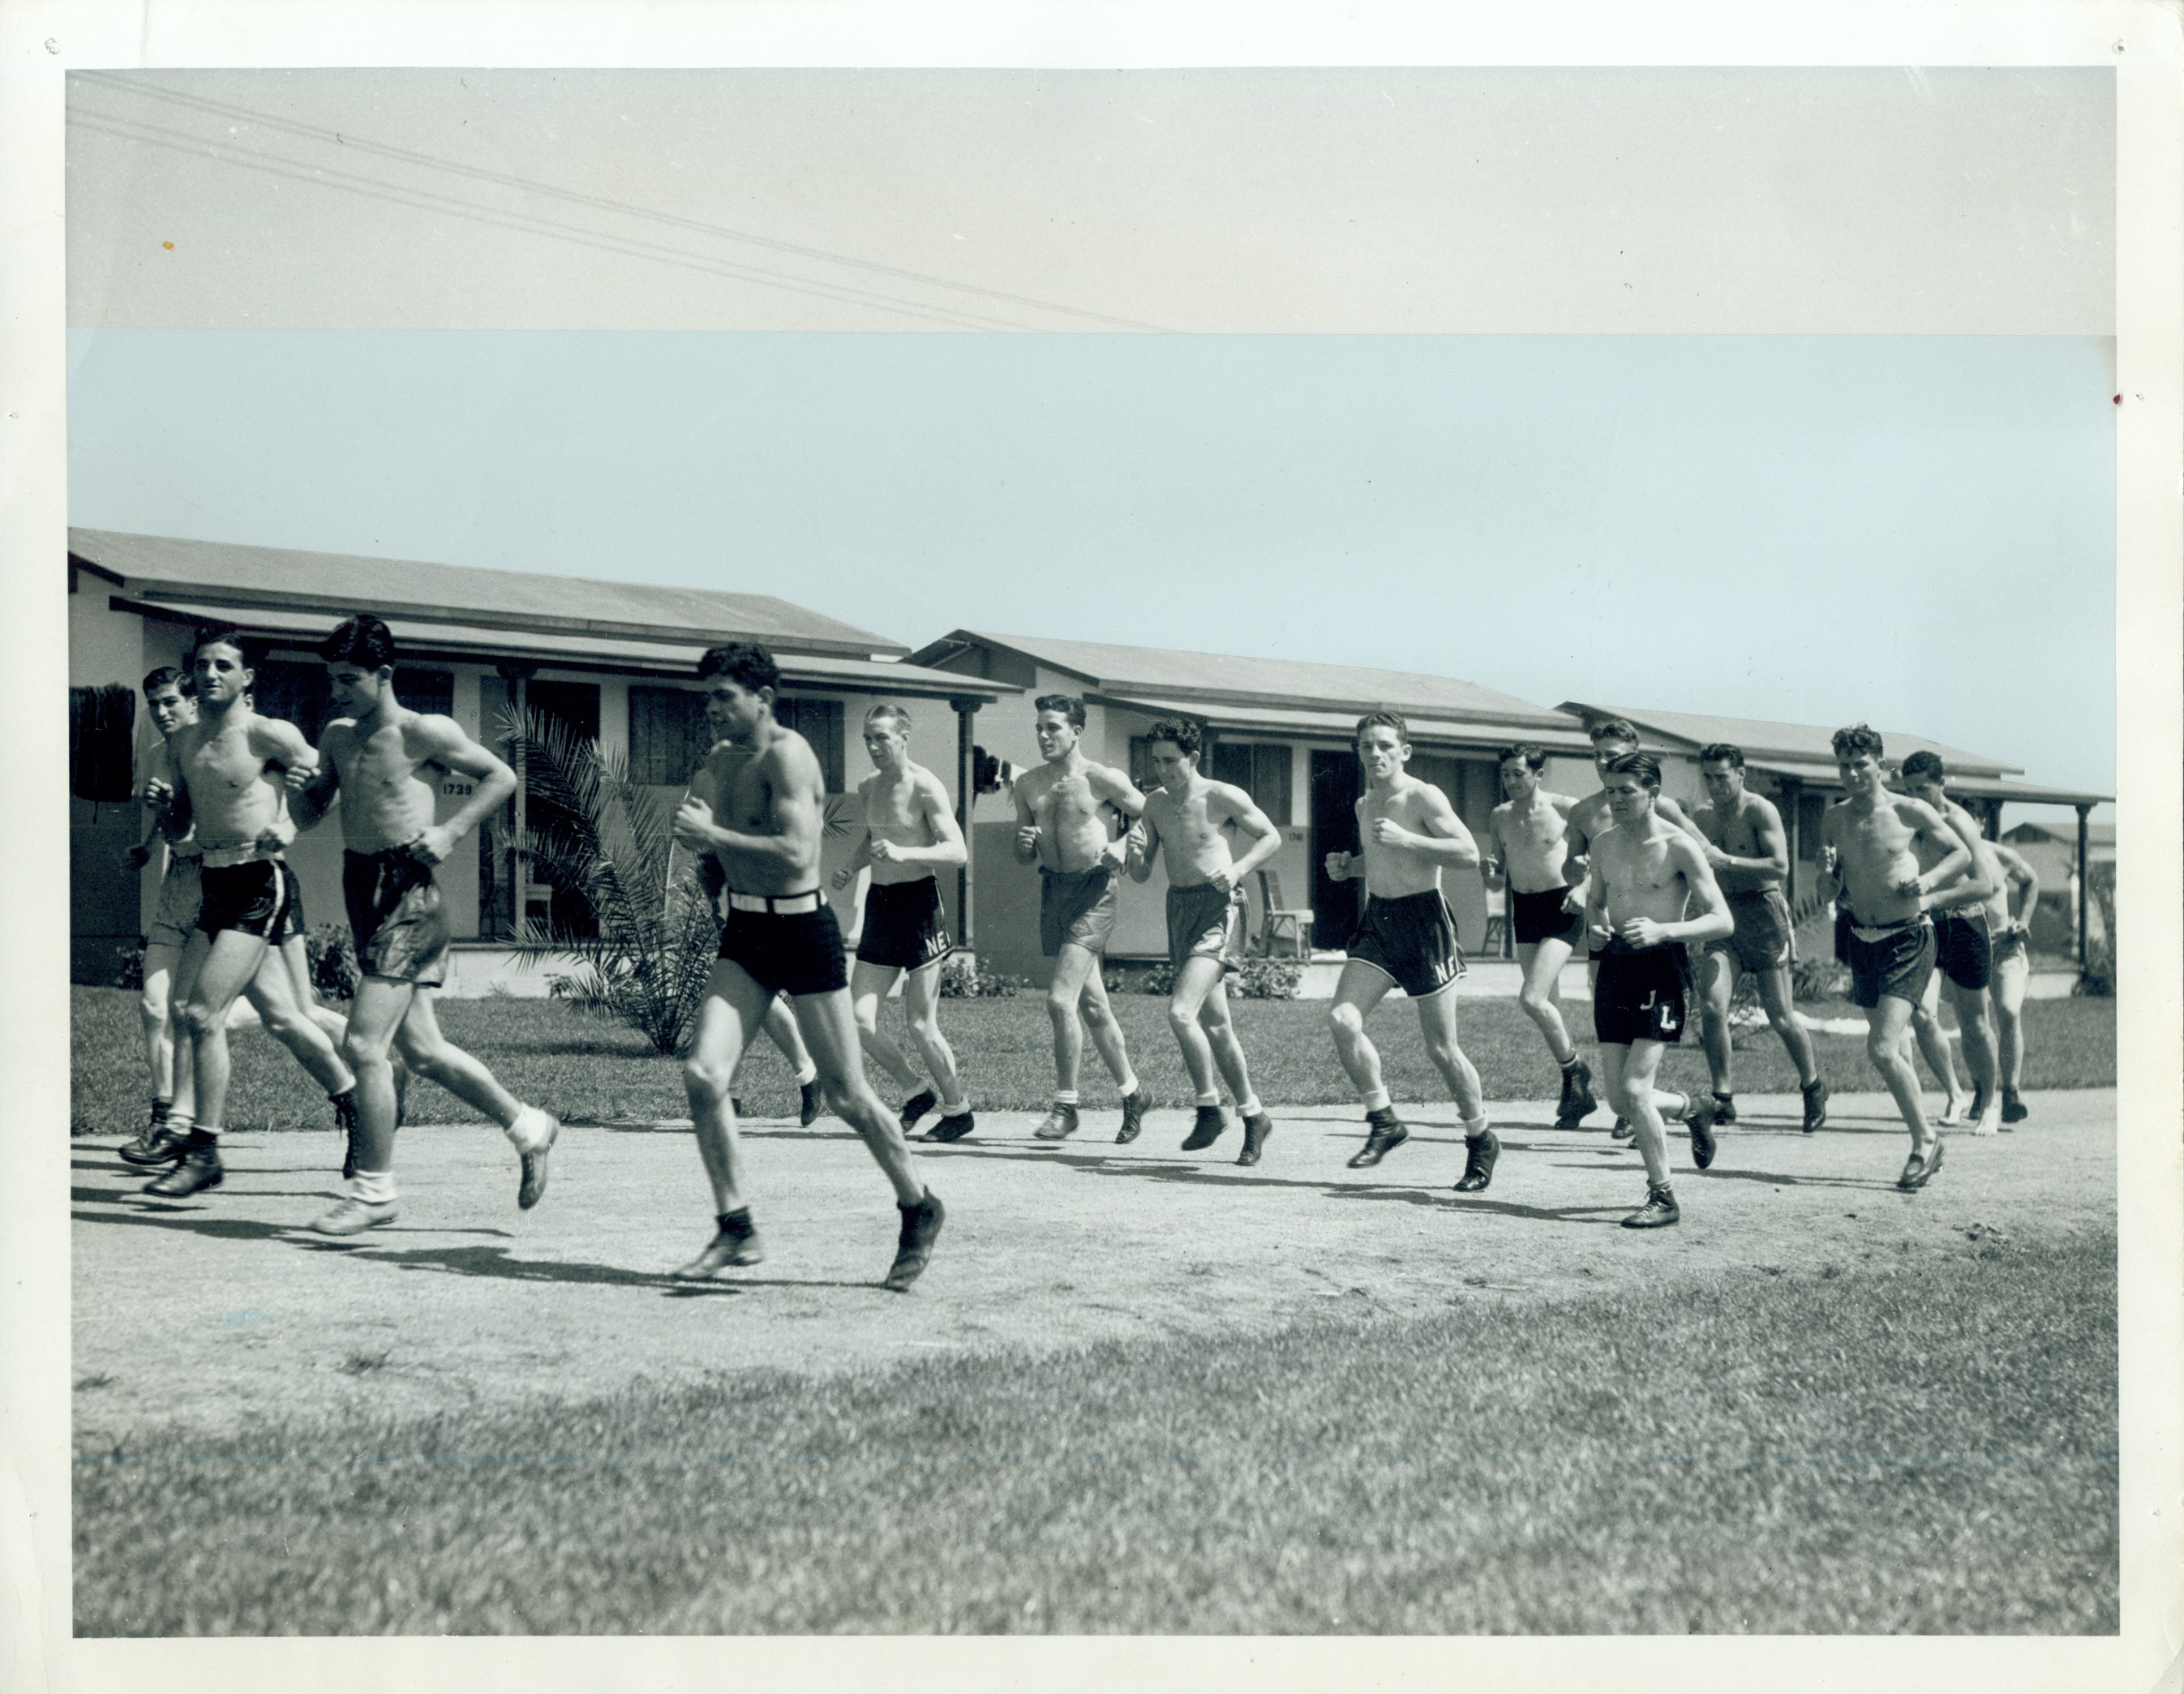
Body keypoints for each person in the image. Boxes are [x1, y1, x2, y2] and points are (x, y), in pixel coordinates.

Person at [669, 642, 944, 1290]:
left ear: (762, 699)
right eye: (707, 695)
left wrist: (714, 836)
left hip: (802, 929)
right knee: (704, 1074)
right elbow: (716, 841)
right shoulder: (719, 759)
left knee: (849, 1095)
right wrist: (706, 859)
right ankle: (736, 1226)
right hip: (746, 931)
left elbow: (796, 851)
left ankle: (918, 1205)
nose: (711, 708)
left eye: (723, 696)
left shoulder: (789, 755)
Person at [286, 616, 561, 1234]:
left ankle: (374, 1189)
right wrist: (300, 792)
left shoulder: (422, 731)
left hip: (410, 894)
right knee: (424, 1051)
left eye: (349, 679)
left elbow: (502, 776)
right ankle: (529, 1127)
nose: (339, 690)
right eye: (333, 679)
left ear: (384, 674)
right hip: (363, 889)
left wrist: (451, 830)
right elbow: (309, 817)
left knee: (363, 1045)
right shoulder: (335, 735)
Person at [135, 628, 363, 1199]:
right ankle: (356, 1100)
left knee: (200, 1012)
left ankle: (203, 1151)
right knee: (285, 1017)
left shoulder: (269, 733)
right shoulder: (185, 743)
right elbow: (181, 828)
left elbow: (325, 791)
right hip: (214, 882)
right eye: (203, 665)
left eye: (224, 666)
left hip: (260, 883)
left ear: (247, 677)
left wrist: (290, 819)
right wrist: (165, 812)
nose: (211, 674)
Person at [1324, 711, 1498, 1194]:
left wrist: (1409, 838)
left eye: (1384, 745)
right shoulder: (1363, 805)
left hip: (1425, 921)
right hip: (1379, 920)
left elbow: (1466, 854)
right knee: (1342, 1019)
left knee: (1441, 1048)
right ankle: (1384, 1120)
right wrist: (1348, 868)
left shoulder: (1423, 796)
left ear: (1404, 751)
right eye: (1365, 746)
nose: (1374, 754)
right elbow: (1379, 859)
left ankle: (1481, 1137)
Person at [1813, 725, 1977, 1191]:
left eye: (1859, 764)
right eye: (1843, 765)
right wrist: (1826, 877)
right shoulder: (1834, 818)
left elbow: (1961, 854)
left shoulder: (1909, 810)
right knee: (1890, 1048)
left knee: (1882, 1048)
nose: (1850, 773)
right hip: (1861, 938)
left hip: (1908, 936)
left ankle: (1925, 1143)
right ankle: (1927, 1131)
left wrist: (1929, 883)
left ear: (1879, 765)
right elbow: (1828, 890)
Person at [1582, 752, 1736, 1228]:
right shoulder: (1604, 844)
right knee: (1618, 1099)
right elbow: (1595, 905)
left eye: (1627, 791)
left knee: (1634, 1088)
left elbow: (1722, 919)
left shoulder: (1679, 846)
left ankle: (1663, 1195)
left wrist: (1666, 930)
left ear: (1653, 793)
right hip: (1615, 967)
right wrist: (1597, 928)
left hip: (1662, 969)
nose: (1618, 799)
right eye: (1611, 791)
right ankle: (1694, 1109)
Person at [1124, 720, 1281, 1164]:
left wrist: (1237, 869)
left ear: (1192, 758)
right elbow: (1141, 874)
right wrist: (1135, 855)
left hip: (1221, 907)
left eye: (1170, 761)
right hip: (1180, 909)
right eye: (1155, 762)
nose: (1162, 770)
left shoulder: (1221, 796)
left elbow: (1271, 837)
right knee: (1216, 1026)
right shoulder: (1154, 804)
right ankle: (1254, 1117)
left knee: (1180, 1011)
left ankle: (1209, 1106)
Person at [830, 703, 975, 1143]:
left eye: (882, 738)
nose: (874, 747)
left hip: (919, 907)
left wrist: (905, 853)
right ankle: (916, 1092)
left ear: (904, 737)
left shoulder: (926, 786)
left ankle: (958, 1110)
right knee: (858, 1021)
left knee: (919, 1023)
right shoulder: (868, 785)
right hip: (881, 905)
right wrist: (852, 868)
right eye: (868, 739)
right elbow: (875, 839)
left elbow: (957, 852)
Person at [1012, 694, 1151, 1143]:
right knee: (1093, 1006)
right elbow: (1020, 855)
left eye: (1053, 727)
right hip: (1054, 891)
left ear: (1076, 731)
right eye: (1039, 728)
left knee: (1059, 1000)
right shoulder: (1028, 784)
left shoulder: (1101, 778)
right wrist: (1025, 843)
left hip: (1095, 893)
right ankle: (1134, 1093)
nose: (1044, 735)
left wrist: (1121, 844)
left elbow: (1153, 816)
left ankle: (1065, 1106)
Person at [1561, 717, 1701, 1139]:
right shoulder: (1586, 812)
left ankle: (1638, 1110)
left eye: (1614, 753)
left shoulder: (1667, 810)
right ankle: (1651, 1106)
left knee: (1634, 1084)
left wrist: (1674, 908)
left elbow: (1701, 852)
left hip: (1660, 948)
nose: (1605, 761)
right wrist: (1581, 874)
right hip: (1613, 947)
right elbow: (1573, 871)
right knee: (1620, 1073)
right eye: (1598, 755)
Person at [1688, 744, 1829, 1132]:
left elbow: (1780, 867)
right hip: (1724, 916)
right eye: (1709, 778)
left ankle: (1813, 1086)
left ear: (1741, 774)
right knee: (1713, 1007)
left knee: (1780, 1016)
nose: (1715, 785)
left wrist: (1726, 860)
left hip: (1764, 913)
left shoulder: (1759, 810)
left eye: (1722, 777)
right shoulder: (1702, 816)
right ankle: (1724, 1097)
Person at [1483, 744, 1598, 1129]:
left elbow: (1605, 855)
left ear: (1539, 774)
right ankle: (1576, 1095)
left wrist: (1584, 889)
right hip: (1525, 908)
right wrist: (1489, 874)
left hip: (1562, 906)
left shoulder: (1568, 809)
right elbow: (1496, 880)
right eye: (1505, 775)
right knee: (1550, 1006)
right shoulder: (1499, 817)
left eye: (1519, 773)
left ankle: (1576, 1070)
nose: (1511, 782)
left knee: (1531, 999)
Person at [1894, 752, 2006, 1135]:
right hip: (1924, 927)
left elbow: (1984, 885)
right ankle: (1954, 1092)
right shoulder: (1905, 820)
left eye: (1922, 788)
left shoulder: (1958, 822)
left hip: (1965, 924)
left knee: (1974, 1025)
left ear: (1942, 784)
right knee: (1922, 1015)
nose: (1915, 797)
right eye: (1907, 790)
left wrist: (1931, 896)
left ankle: (1990, 1101)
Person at [1985, 839, 2041, 1124]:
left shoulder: (2000, 855)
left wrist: (2023, 920)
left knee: (2008, 1010)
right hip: (1962, 948)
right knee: (1973, 1022)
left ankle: (2011, 1092)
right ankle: (1980, 1093)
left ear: (1981, 820)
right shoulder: (1936, 850)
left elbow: (2030, 880)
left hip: (2004, 948)